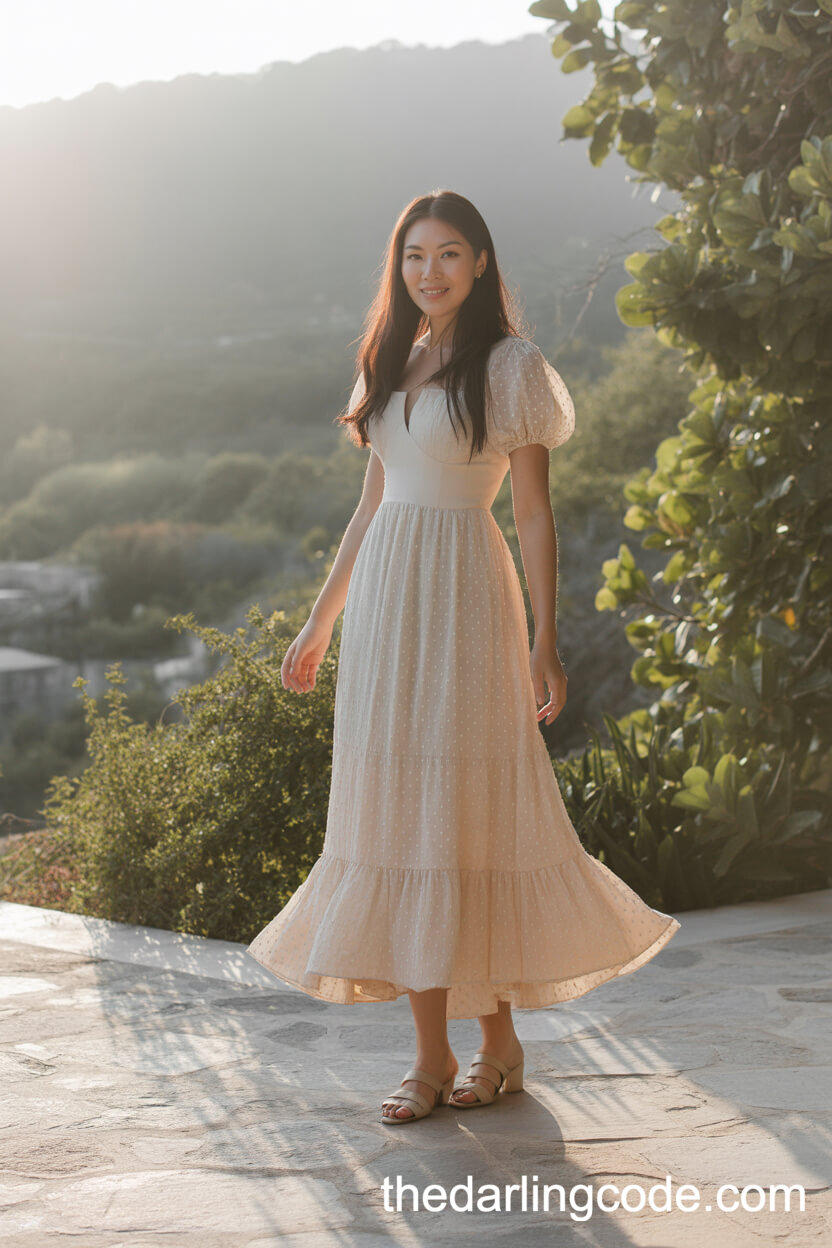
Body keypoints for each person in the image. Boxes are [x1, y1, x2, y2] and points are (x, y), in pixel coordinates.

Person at [246, 189, 680, 1124]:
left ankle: (499, 1043)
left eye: (448, 254)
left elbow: (531, 513)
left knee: (469, 816)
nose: (429, 271)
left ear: (480, 264)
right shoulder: (390, 364)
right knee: (400, 818)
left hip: (467, 598)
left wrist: (545, 639)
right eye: (413, 256)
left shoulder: (512, 366)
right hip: (389, 610)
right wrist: (321, 623)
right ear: (397, 269)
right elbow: (371, 504)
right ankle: (435, 1056)